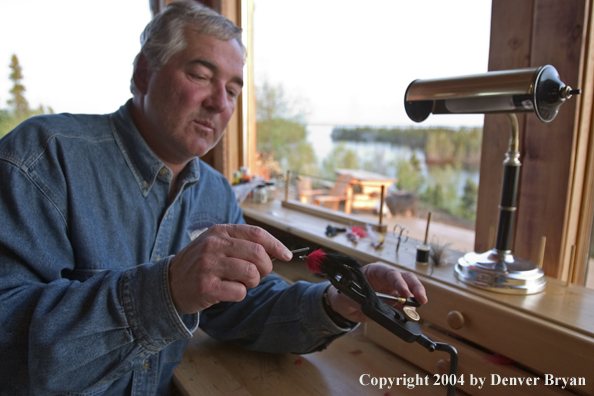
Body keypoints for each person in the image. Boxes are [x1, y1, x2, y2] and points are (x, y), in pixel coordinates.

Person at [0, 1, 427, 395]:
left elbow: (243, 306)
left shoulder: (215, 191)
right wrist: (165, 291)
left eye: (234, 90)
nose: (219, 103)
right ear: (143, 75)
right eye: (201, 76)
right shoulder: (43, 158)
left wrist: (337, 301)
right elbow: (7, 345)